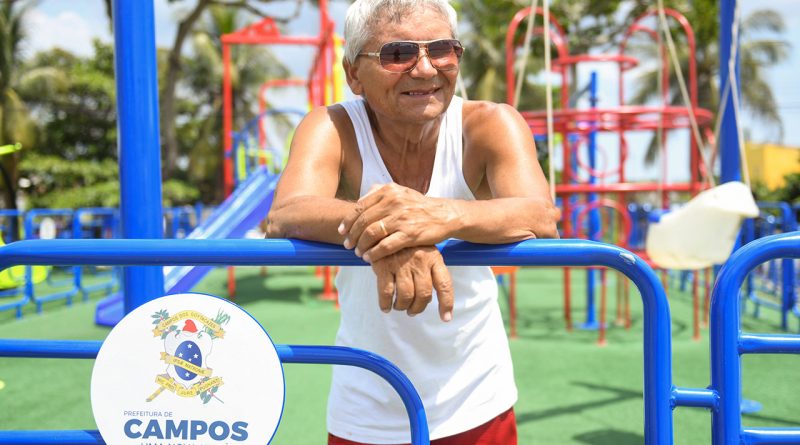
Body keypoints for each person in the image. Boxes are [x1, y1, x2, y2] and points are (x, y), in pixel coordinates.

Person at [266, 0, 559, 443]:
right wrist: (395, 231)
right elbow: (286, 213)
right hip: (366, 403)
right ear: (353, 74)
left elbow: (540, 216)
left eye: (442, 50)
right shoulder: (332, 126)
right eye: (398, 54)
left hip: (476, 397)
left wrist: (437, 216)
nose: (424, 69)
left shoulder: (489, 123)